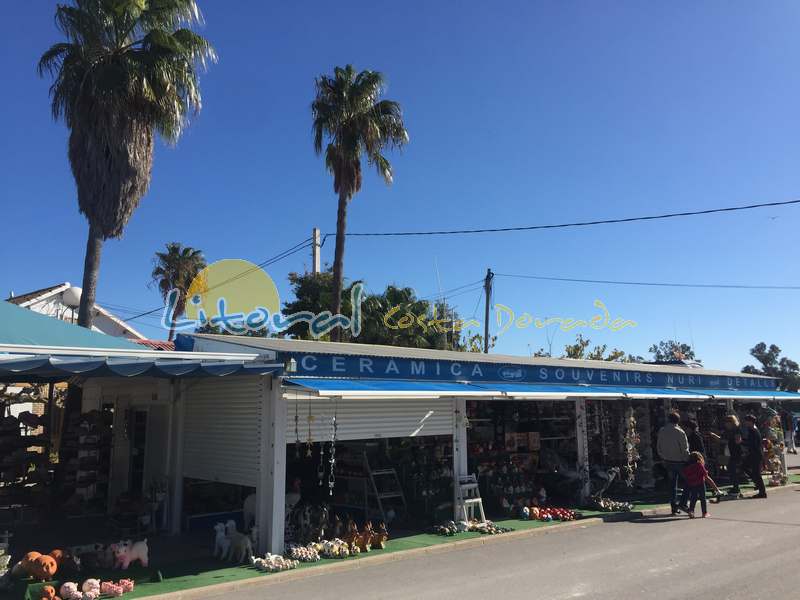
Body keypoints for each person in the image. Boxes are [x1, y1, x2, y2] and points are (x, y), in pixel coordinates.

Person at [657, 411, 690, 514]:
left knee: (672, 485)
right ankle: (683, 503)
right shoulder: (680, 432)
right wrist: (687, 459)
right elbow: (684, 449)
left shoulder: (662, 431)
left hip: (668, 461)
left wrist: (663, 457)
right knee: (689, 482)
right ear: (678, 421)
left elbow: (659, 446)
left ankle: (674, 506)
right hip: (680, 461)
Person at [681, 451, 717, 518]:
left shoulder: (688, 467)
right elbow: (706, 477)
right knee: (703, 498)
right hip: (700, 483)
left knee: (693, 498)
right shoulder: (699, 465)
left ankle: (691, 511)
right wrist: (716, 489)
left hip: (692, 484)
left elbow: (684, 475)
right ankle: (704, 512)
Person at [742, 414, 767, 498]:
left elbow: (752, 444)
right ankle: (757, 483)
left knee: (757, 474)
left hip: (756, 454)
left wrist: (741, 442)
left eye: (746, 421)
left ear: (750, 422)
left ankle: (762, 492)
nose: (745, 423)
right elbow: (750, 441)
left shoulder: (753, 430)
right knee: (744, 466)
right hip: (754, 454)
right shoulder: (752, 429)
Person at [722, 415, 743, 496]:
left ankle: (736, 488)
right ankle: (735, 487)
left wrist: (733, 441)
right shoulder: (732, 430)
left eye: (727, 422)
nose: (726, 425)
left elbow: (738, 440)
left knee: (732, 470)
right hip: (733, 452)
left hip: (736, 453)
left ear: (731, 422)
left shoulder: (736, 430)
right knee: (731, 470)